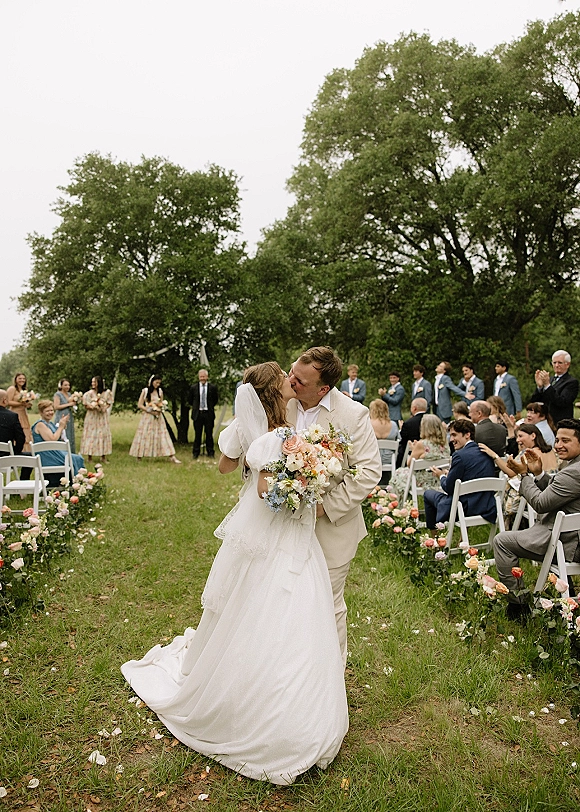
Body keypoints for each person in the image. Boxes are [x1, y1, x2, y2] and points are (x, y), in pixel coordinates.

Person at [121, 362, 349, 785]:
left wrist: (263, 452)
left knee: (261, 602)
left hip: (282, 534)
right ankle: (266, 706)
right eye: (284, 375)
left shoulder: (272, 429)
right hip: (283, 529)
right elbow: (265, 489)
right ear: (273, 390)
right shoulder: (278, 435)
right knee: (274, 606)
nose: (290, 379)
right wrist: (300, 485)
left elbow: (227, 466)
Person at [287, 347, 382, 663]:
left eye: (300, 380)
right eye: (292, 373)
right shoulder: (282, 400)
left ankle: (330, 673)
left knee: (327, 601)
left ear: (323, 388)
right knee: (285, 598)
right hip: (281, 525)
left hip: (331, 528)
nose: (291, 382)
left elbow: (369, 471)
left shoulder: (352, 414)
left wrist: (324, 508)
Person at [493, 419, 580, 620]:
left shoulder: (573, 472)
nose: (558, 445)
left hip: (567, 543)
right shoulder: (573, 467)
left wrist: (524, 476)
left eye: (565, 441)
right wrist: (539, 473)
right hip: (572, 535)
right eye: (557, 440)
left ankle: (518, 606)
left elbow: (541, 503)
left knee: (502, 541)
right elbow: (560, 489)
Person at [479, 424, 558, 528]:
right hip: (550, 496)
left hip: (532, 499)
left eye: (521, 436)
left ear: (533, 436)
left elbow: (511, 472)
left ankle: (507, 527)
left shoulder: (530, 453)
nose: (517, 440)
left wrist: (494, 456)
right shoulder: (550, 451)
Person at [423, 419, 497, 530]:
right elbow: (473, 476)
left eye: (454, 435)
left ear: (467, 434)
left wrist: (441, 476)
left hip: (463, 509)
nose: (451, 439)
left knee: (428, 494)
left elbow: (448, 488)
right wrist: (450, 474)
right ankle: (461, 540)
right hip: (487, 507)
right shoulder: (486, 452)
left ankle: (435, 541)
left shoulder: (460, 456)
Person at [390, 414, 449, 499]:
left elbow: (410, 464)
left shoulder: (422, 444)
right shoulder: (444, 443)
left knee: (398, 473)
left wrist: (414, 449)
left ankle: (401, 504)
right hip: (439, 478)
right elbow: (431, 456)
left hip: (423, 479)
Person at [31, 400, 84, 485]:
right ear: (41, 413)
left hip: (54, 453)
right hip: (47, 455)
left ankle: (77, 483)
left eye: (51, 410)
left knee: (77, 457)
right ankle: (76, 484)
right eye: (47, 411)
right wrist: (61, 426)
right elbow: (52, 439)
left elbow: (58, 436)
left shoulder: (50, 423)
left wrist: (62, 426)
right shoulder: (40, 424)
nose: (50, 413)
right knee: (75, 458)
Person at [129, 375, 181, 463]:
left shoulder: (160, 391)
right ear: (152, 382)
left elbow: (161, 403)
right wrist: (149, 410)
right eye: (156, 382)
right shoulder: (145, 391)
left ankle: (171, 456)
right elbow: (140, 405)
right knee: (144, 435)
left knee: (163, 435)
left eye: (159, 383)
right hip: (147, 417)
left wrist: (159, 409)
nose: (157, 384)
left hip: (158, 417)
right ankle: (139, 456)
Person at [531, 350, 579, 424]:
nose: (556, 365)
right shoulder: (550, 379)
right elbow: (535, 401)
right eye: (554, 362)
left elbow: (562, 402)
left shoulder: (571, 382)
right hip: (544, 421)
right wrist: (539, 387)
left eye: (560, 363)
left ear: (567, 364)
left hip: (560, 422)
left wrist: (547, 385)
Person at [80, 376, 113, 463]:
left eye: (95, 382)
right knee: (91, 435)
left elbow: (109, 403)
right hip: (92, 417)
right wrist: (92, 406)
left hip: (102, 417)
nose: (93, 384)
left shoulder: (107, 393)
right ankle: (89, 456)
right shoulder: (88, 394)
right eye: (92, 382)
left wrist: (103, 407)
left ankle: (103, 456)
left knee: (103, 434)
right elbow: (86, 405)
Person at [369, 398, 399, 485]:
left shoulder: (368, 423)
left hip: (372, 459)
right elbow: (398, 440)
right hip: (389, 459)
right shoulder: (393, 425)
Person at [189, 369, 219, 458]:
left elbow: (215, 399)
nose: (202, 378)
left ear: (207, 377)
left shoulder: (212, 387)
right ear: (198, 377)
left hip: (208, 414)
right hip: (197, 414)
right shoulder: (193, 388)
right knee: (197, 434)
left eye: (204, 376)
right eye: (201, 376)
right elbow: (190, 400)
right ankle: (195, 453)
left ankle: (210, 452)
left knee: (209, 434)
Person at [396, 397, 428, 468]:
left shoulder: (408, 423)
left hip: (411, 455)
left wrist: (402, 429)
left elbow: (403, 441)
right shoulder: (432, 420)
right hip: (428, 454)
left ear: (414, 408)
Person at [6, 372, 33, 451]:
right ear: (16, 379)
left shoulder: (24, 390)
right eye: (20, 378)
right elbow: (8, 402)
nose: (22, 380)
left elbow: (24, 403)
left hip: (23, 413)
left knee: (25, 432)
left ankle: (26, 451)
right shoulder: (12, 389)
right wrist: (21, 403)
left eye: (23, 379)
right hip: (14, 413)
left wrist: (27, 404)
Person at [53, 379, 79, 453]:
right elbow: (56, 406)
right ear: (61, 386)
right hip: (61, 416)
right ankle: (61, 452)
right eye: (65, 385)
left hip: (69, 416)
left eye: (68, 385)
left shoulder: (70, 394)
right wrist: (69, 404)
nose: (67, 387)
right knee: (62, 433)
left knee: (69, 433)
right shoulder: (58, 394)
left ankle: (71, 452)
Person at [0, 389, 26, 454]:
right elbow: (20, 438)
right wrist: (15, 452)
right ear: (4, 400)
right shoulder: (12, 416)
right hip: (6, 456)